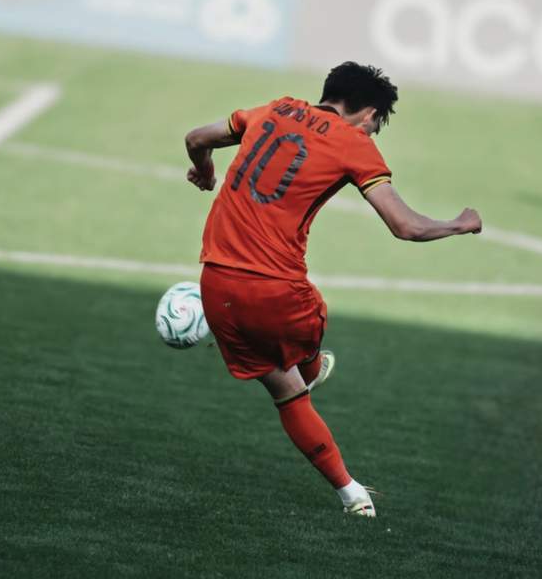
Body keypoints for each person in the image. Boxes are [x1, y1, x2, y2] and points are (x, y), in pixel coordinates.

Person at [185, 62, 482, 517]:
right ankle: (312, 365)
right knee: (307, 329)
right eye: (377, 124)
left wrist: (205, 171)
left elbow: (196, 138)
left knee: (284, 390)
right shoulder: (353, 142)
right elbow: (405, 226)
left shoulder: (274, 109)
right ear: (369, 114)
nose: (373, 132)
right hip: (277, 291)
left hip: (215, 282)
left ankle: (352, 493)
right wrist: (459, 224)